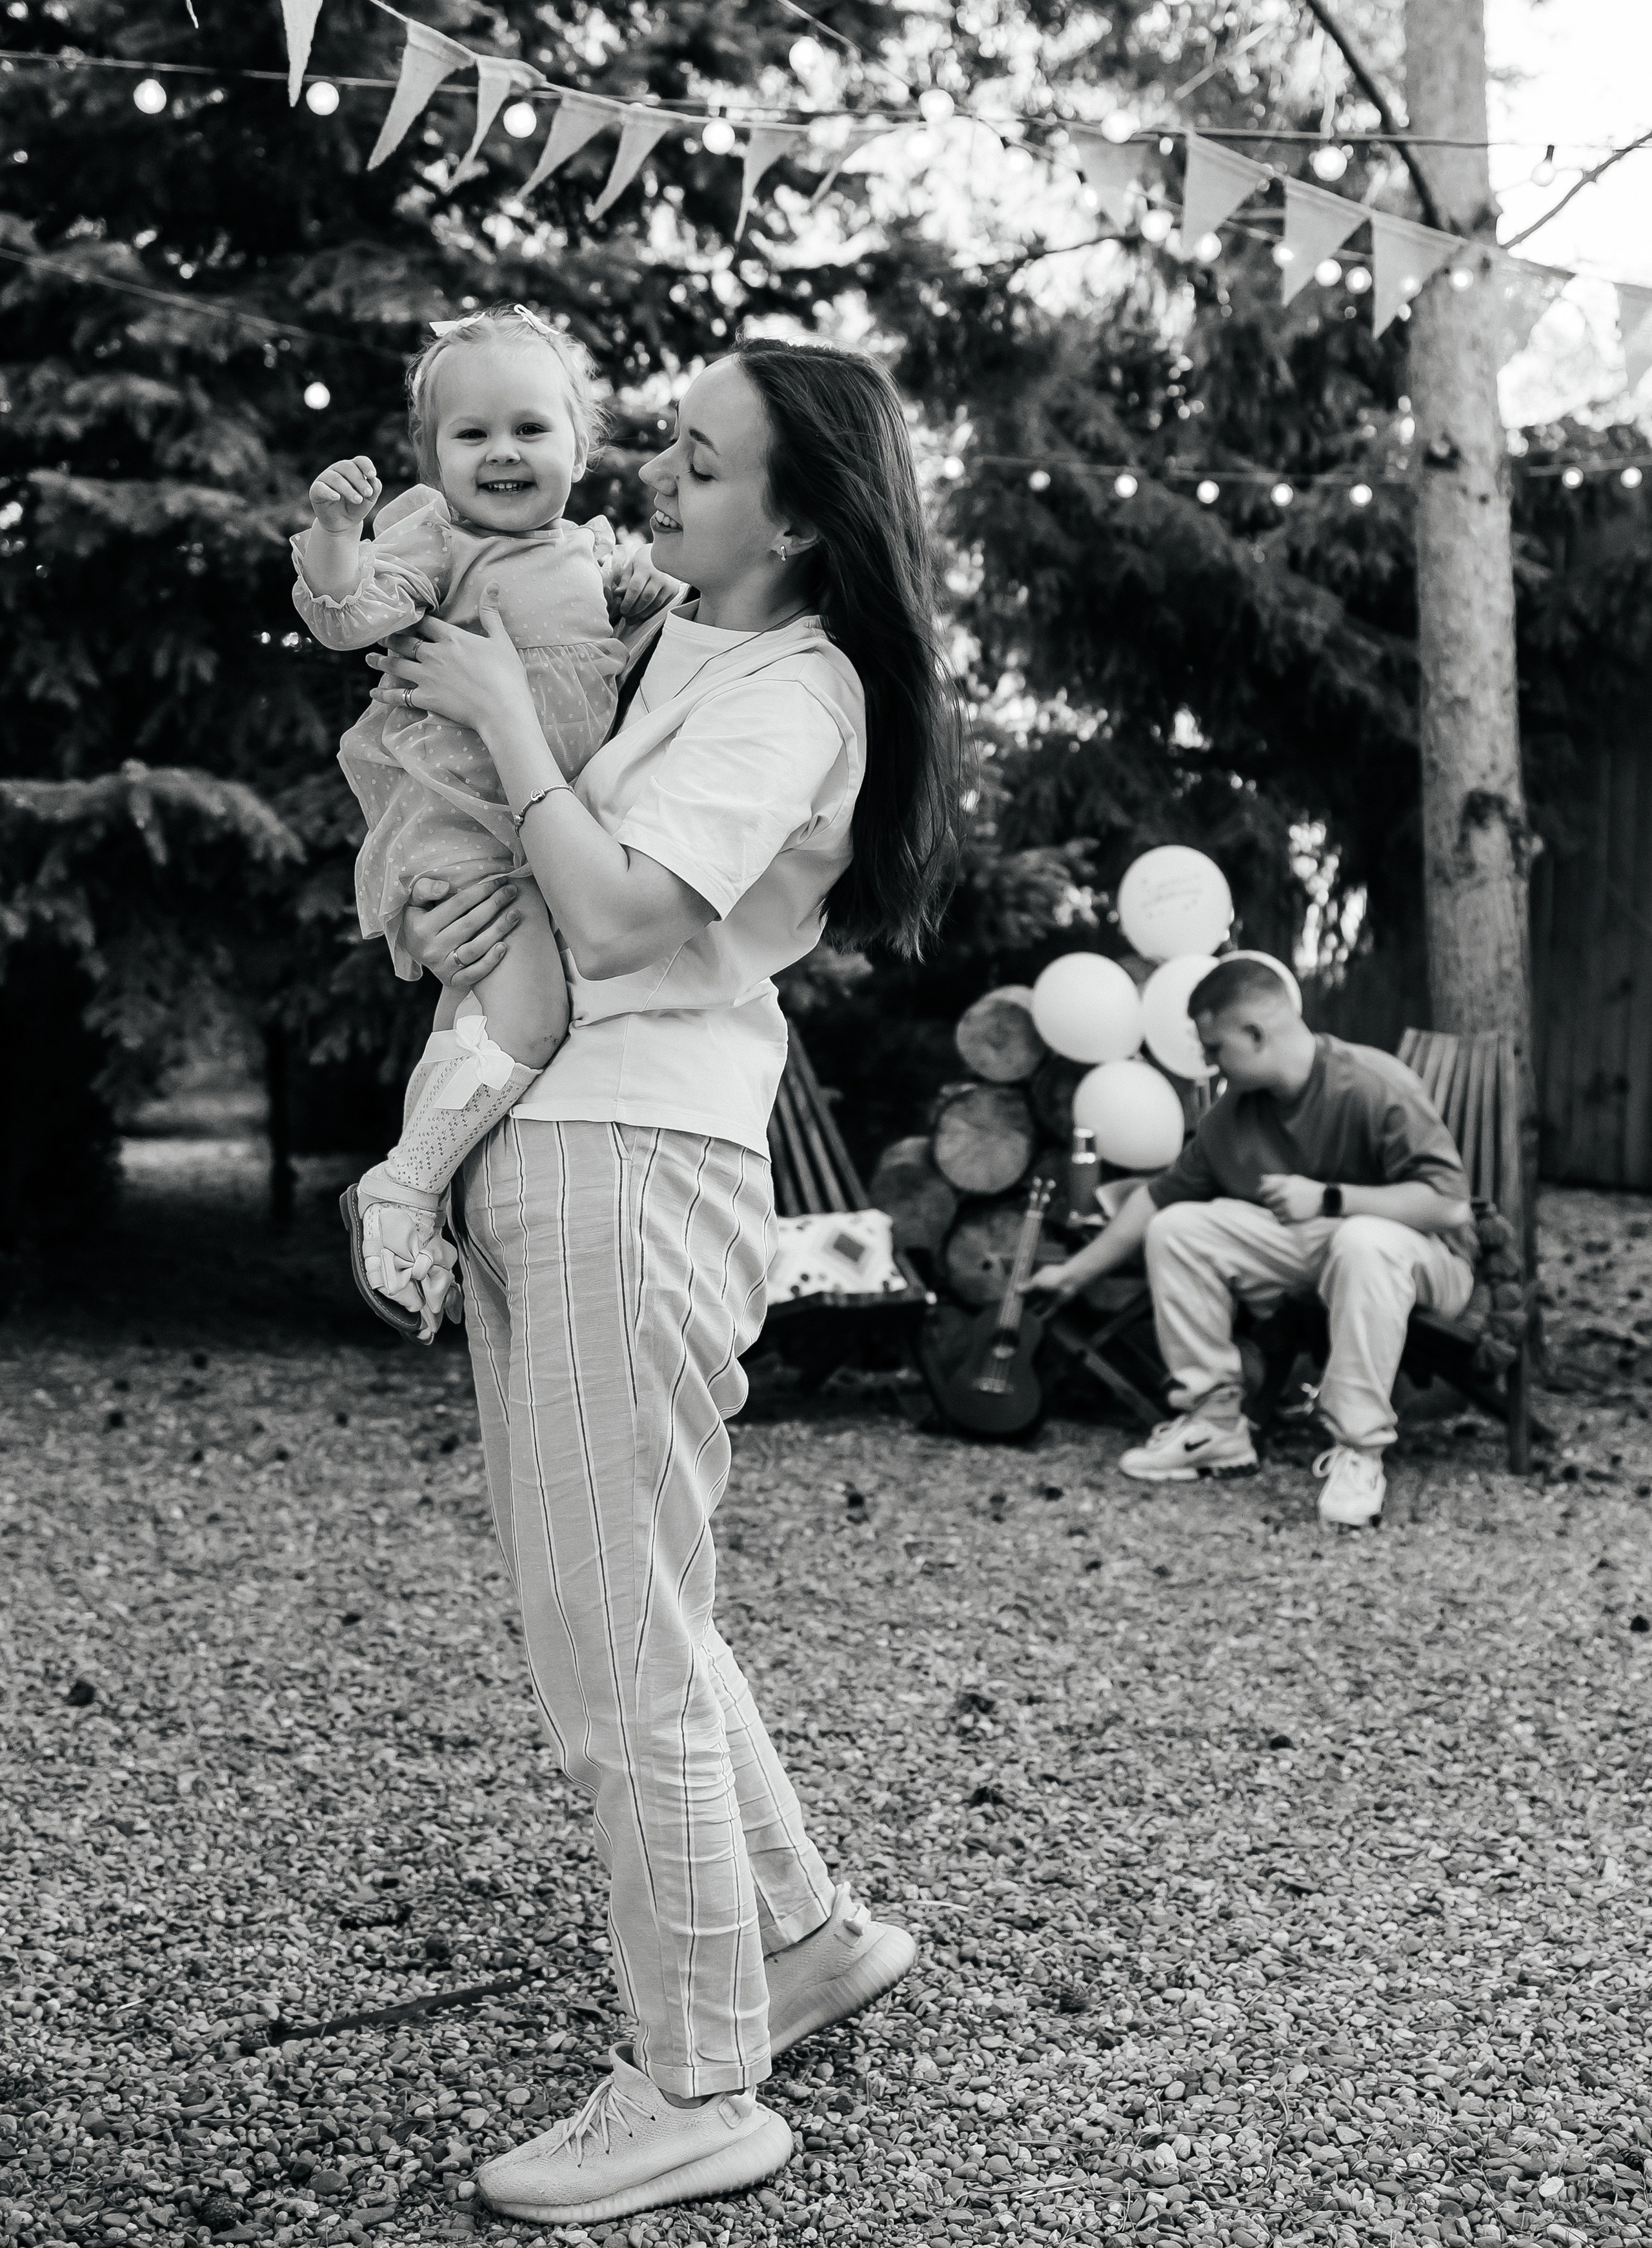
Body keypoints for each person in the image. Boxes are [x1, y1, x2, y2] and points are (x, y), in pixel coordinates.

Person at [372, 340, 967, 2227]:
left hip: (628, 1157)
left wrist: (504, 722)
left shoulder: (797, 688)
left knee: (612, 1649)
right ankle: (793, 1933)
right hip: (572, 1136)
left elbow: (629, 907)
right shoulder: (690, 640)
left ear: (795, 518)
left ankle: (700, 2081)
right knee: (643, 1604)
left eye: (701, 463)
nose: (655, 476)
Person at [292, 305, 677, 1341]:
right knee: (530, 1020)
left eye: (529, 428)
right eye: (471, 434)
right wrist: (337, 536)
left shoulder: (592, 555)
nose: (502, 450)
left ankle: (427, 1217)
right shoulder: (437, 542)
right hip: (463, 828)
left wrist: (648, 596)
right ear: (433, 458)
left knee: (476, 1026)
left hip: (543, 837)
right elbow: (345, 613)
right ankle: (403, 1188)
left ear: (581, 449)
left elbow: (635, 665)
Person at [1030, 957, 1477, 1528]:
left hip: (1426, 1258)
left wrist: (1330, 1198)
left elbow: (1449, 1204)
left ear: (1257, 1034)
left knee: (1363, 1240)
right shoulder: (1233, 1114)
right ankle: (1215, 1425)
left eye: (1215, 1047)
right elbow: (1156, 1200)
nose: (1208, 1062)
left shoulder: (1372, 1083)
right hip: (1322, 1247)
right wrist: (1072, 1275)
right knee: (1180, 1227)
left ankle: (1360, 1451)